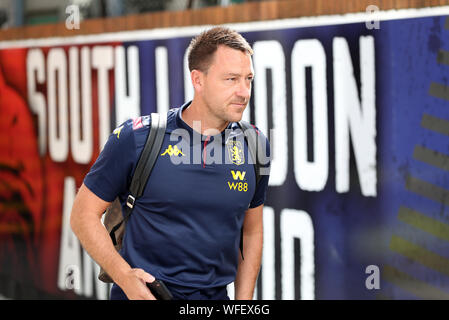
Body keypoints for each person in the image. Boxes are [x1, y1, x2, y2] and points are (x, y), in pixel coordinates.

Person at [70, 26, 271, 300]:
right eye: (231, 79)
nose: (243, 91)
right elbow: (83, 215)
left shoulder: (254, 144)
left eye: (248, 79)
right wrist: (125, 277)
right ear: (198, 80)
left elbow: (252, 232)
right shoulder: (137, 138)